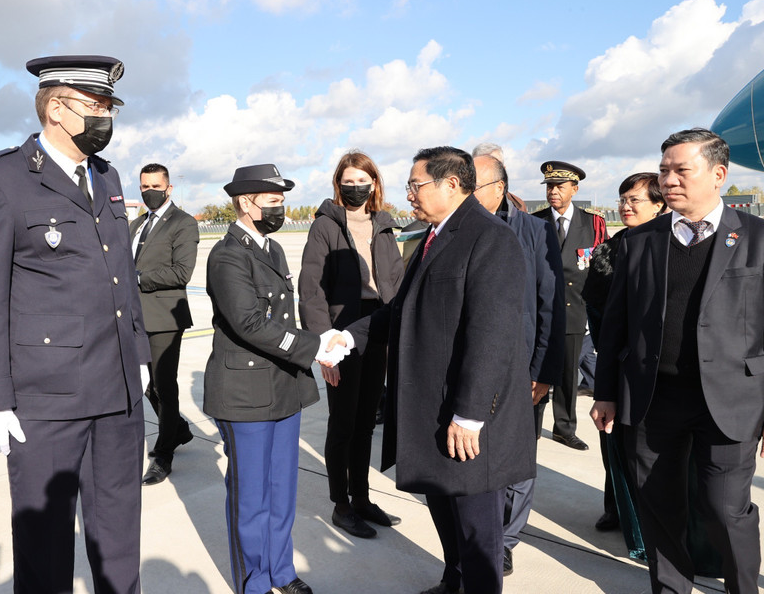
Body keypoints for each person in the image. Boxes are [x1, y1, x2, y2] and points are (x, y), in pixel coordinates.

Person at [0, 55, 149, 594]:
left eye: (109, 107)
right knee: (44, 551)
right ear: (57, 109)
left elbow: (122, 275)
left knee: (119, 542)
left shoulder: (106, 177)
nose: (106, 118)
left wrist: (138, 354)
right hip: (46, 401)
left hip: (118, 394)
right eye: (96, 106)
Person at [333, 146, 535, 594]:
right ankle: (454, 582)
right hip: (435, 408)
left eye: (415, 185)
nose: (409, 194)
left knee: (476, 528)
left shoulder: (489, 238)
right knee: (446, 512)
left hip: (467, 417)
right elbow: (402, 310)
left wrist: (470, 413)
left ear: (450, 184)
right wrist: (349, 338)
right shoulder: (433, 236)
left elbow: (493, 333)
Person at [592, 128, 763, 593]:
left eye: (681, 170)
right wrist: (605, 391)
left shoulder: (758, 238)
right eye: (664, 169)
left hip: (731, 402)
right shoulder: (639, 241)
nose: (668, 179)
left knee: (725, 510)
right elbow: (616, 325)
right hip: (653, 400)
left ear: (719, 174)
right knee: (659, 508)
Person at [204, 164, 342, 594]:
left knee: (282, 491)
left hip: (283, 387)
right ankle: (254, 582)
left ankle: (281, 570)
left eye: (282, 200)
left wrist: (321, 342)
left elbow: (284, 317)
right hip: (244, 394)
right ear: (247, 202)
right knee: (251, 499)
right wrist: (313, 347)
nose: (280, 207)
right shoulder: (227, 255)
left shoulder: (273, 250)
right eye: (273, 200)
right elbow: (248, 323)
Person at [298, 150, 405, 539]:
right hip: (341, 332)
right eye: (349, 181)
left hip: (378, 328)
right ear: (338, 184)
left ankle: (361, 497)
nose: (357, 187)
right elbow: (311, 290)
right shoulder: (325, 226)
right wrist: (325, 346)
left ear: (374, 183)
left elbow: (395, 280)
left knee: (365, 424)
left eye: (364, 180)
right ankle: (340, 503)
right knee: (342, 423)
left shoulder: (385, 224)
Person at [472, 153, 566, 577]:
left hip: (524, 370)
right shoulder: (461, 227)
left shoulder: (535, 231)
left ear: (498, 188)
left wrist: (544, 371)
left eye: (471, 184)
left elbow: (550, 306)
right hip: (478, 368)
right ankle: (483, 532)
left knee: (519, 458)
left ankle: (507, 539)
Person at [582, 173, 664, 540]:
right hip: (617, 364)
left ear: (659, 204)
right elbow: (598, 313)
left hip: (662, 370)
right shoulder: (609, 251)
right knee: (614, 441)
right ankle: (616, 507)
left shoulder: (672, 248)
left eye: (635, 200)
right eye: (622, 200)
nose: (625, 206)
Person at [130, 162, 199, 486]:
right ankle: (179, 430)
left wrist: (139, 278)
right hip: (135, 317)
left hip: (165, 318)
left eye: (156, 187)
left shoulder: (183, 224)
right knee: (143, 383)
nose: (150, 192)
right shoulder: (137, 224)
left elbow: (181, 272)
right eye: (144, 187)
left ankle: (163, 454)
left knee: (163, 386)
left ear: (168, 188)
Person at [532, 161, 607, 451]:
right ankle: (533, 427)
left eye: (559, 187)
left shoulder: (593, 223)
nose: (553, 192)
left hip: (576, 310)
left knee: (568, 375)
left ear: (574, 189)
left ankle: (565, 428)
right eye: (549, 186)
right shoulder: (535, 221)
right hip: (541, 310)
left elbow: (601, 268)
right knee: (537, 372)